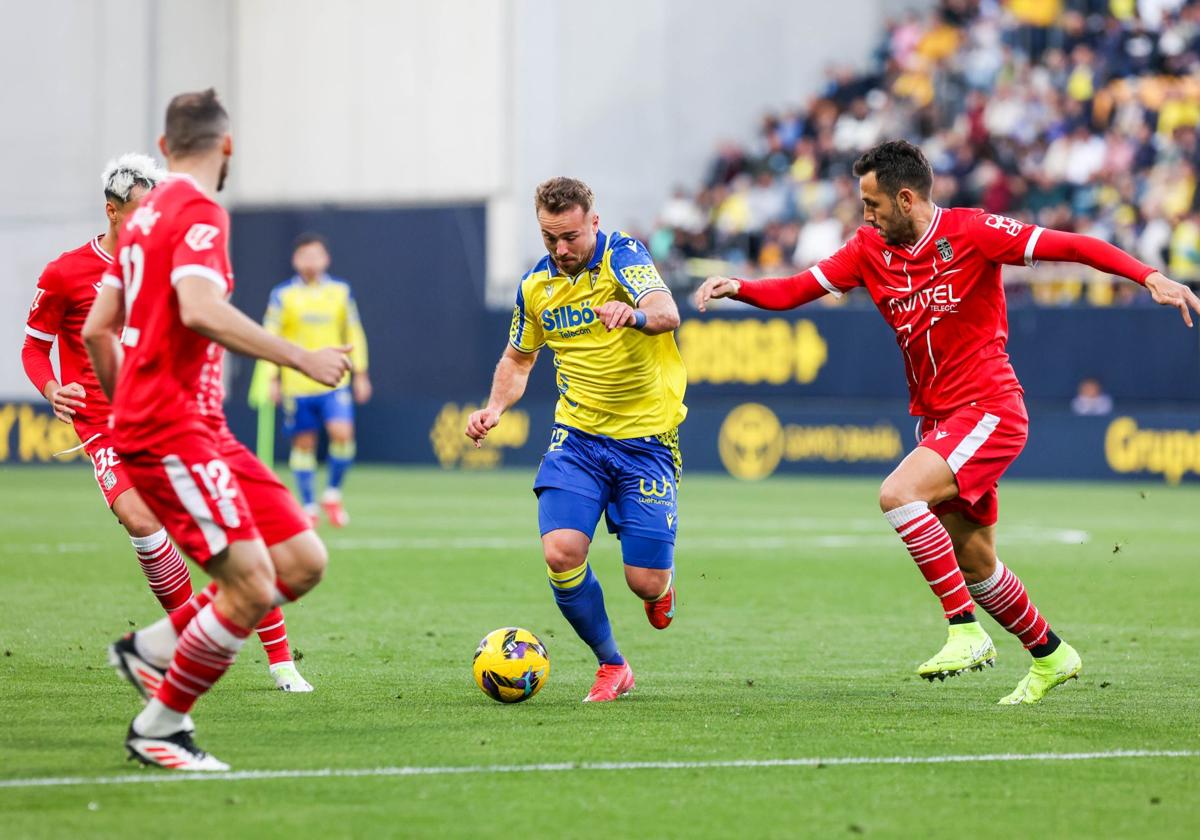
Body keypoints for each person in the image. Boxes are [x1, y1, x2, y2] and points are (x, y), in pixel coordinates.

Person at [695, 139, 1200, 704]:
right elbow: (798, 288)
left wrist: (1147, 275)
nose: (866, 215)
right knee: (976, 560)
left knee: (898, 495)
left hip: (990, 408)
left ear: (905, 198)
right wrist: (739, 287)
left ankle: (964, 629)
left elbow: (1074, 245)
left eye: (873, 204)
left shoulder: (972, 231)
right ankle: (1051, 654)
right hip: (938, 421)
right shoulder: (868, 249)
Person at [83, 89, 352, 770]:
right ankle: (161, 729)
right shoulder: (198, 211)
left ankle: (150, 648)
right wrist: (301, 357)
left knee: (301, 561)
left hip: (197, 428)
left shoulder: (140, 220)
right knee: (254, 585)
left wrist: (121, 406)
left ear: (164, 145)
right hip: (171, 427)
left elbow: (96, 329)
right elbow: (200, 310)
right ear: (226, 147)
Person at [21, 154, 312, 693]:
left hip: (173, 417)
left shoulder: (170, 266)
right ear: (112, 211)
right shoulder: (66, 273)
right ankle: (184, 643)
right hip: (105, 424)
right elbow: (35, 347)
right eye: (139, 210)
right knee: (139, 518)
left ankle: (280, 661)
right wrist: (51, 387)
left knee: (236, 528)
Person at [466, 177, 686, 703]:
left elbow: (666, 311)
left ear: (593, 220)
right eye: (549, 238)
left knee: (645, 582)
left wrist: (630, 314)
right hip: (579, 439)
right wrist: (494, 407)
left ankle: (661, 586)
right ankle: (612, 664)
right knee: (562, 552)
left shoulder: (623, 256)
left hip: (647, 442)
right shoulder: (535, 287)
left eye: (570, 237)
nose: (561, 250)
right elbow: (518, 359)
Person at [261, 233, 370, 527]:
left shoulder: (340, 292)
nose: (311, 261)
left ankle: (332, 494)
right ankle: (309, 505)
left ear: (326, 259)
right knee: (304, 445)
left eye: (316, 255)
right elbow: (268, 338)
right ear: (295, 260)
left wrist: (360, 373)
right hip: (297, 384)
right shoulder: (282, 296)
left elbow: (354, 333)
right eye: (304, 256)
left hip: (335, 380)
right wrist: (271, 378)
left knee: (343, 435)